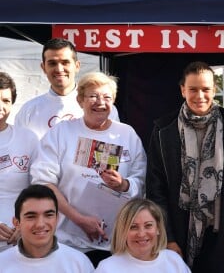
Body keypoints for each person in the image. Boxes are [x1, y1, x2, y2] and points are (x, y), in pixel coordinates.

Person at [30, 72, 147, 267]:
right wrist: (79, 219)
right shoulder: (61, 132)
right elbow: (43, 183)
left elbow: (141, 180)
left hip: (117, 244)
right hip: (69, 242)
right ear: (80, 100)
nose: (100, 102)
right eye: (93, 96)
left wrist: (123, 184)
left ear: (114, 100)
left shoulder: (127, 134)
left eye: (107, 97)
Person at [146, 61, 224, 272]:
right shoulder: (162, 129)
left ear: (215, 90)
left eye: (206, 89)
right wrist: (168, 237)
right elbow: (155, 190)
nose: (200, 96)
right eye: (193, 89)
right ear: (182, 90)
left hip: (220, 232)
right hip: (178, 231)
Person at [14, 37, 119, 139]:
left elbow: (115, 145)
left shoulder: (102, 108)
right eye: (52, 63)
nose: (59, 69)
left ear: (77, 66)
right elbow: (19, 150)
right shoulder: (29, 110)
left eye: (65, 63)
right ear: (43, 68)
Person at [0, 184, 94, 272]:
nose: (40, 224)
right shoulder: (2, 264)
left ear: (57, 219)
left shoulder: (79, 263)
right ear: (17, 223)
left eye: (48, 215)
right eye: (31, 216)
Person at [95, 198, 191, 273]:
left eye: (148, 225)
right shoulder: (107, 268)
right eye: (133, 227)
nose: (141, 234)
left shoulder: (174, 260)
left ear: (158, 228)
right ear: (123, 231)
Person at [0, 72, 38, 252]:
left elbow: (38, 189)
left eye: (6, 101)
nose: (0, 106)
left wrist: (25, 226)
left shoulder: (28, 138)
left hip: (21, 242)